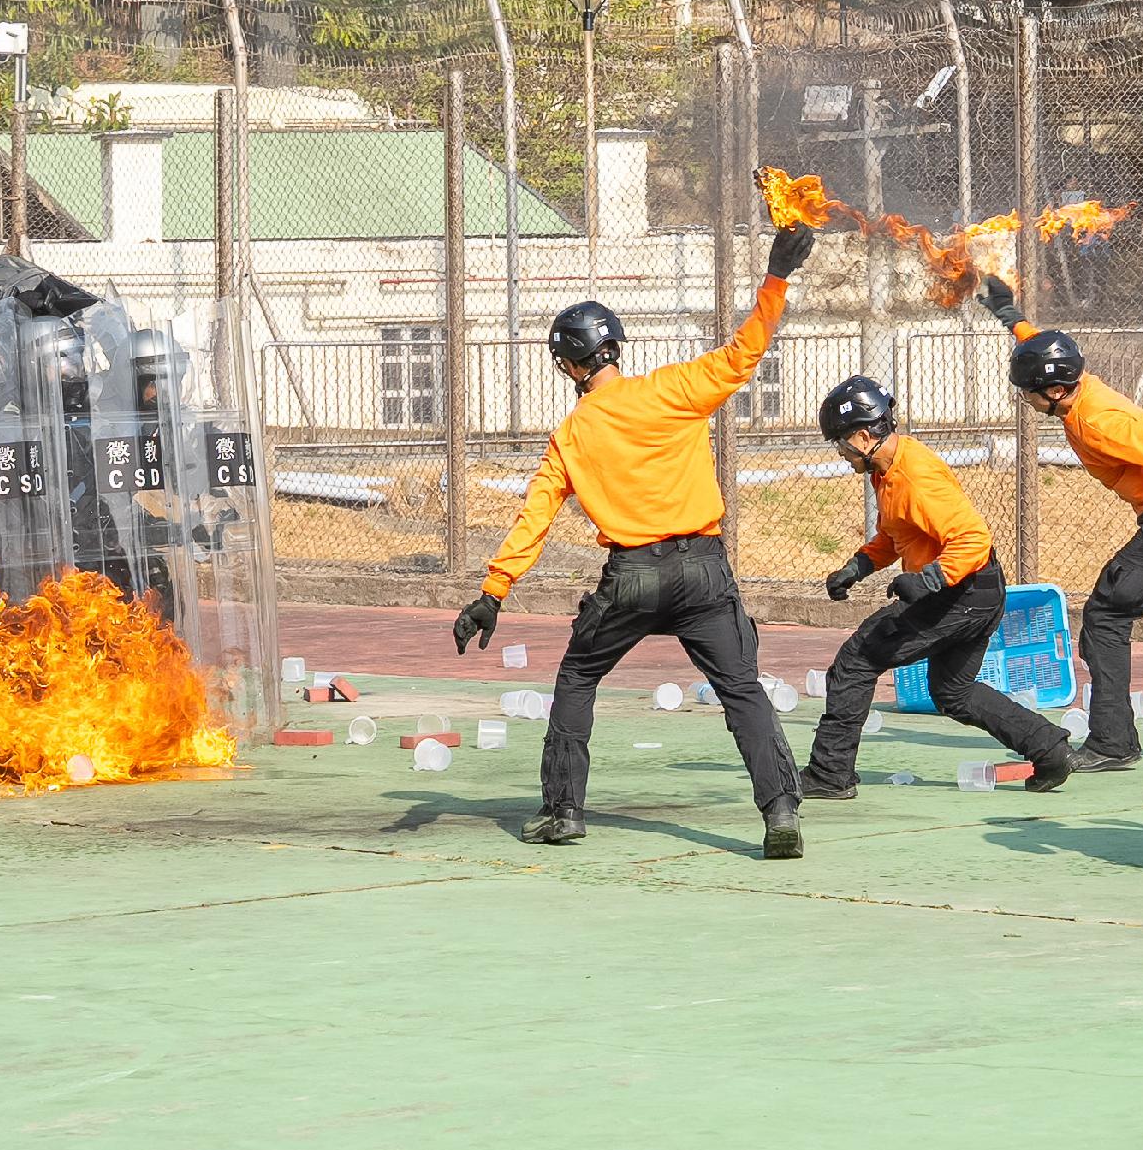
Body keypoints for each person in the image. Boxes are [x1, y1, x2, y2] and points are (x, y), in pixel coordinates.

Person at [453, 205, 818, 856]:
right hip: (704, 568)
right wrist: (776, 277)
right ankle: (780, 814)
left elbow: (533, 517)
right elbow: (744, 354)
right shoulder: (674, 390)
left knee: (577, 679)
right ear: (616, 349)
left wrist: (493, 593)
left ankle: (565, 811)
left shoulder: (571, 433)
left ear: (569, 366)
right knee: (741, 691)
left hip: (632, 577)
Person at [977, 277, 1143, 771]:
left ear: (1056, 391)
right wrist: (1011, 317)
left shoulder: (1098, 422)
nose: (1027, 401)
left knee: (1105, 617)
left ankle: (1112, 743)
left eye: (1031, 394)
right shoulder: (1078, 386)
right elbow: (1047, 353)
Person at [801, 374, 1078, 797]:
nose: (840, 453)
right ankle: (1048, 748)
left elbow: (972, 539)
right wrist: (858, 567)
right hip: (977, 591)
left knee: (856, 661)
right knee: (954, 691)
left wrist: (929, 579)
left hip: (960, 592)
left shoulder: (914, 476)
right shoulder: (887, 469)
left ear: (862, 436)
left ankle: (829, 776)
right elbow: (899, 535)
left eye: (840, 443)